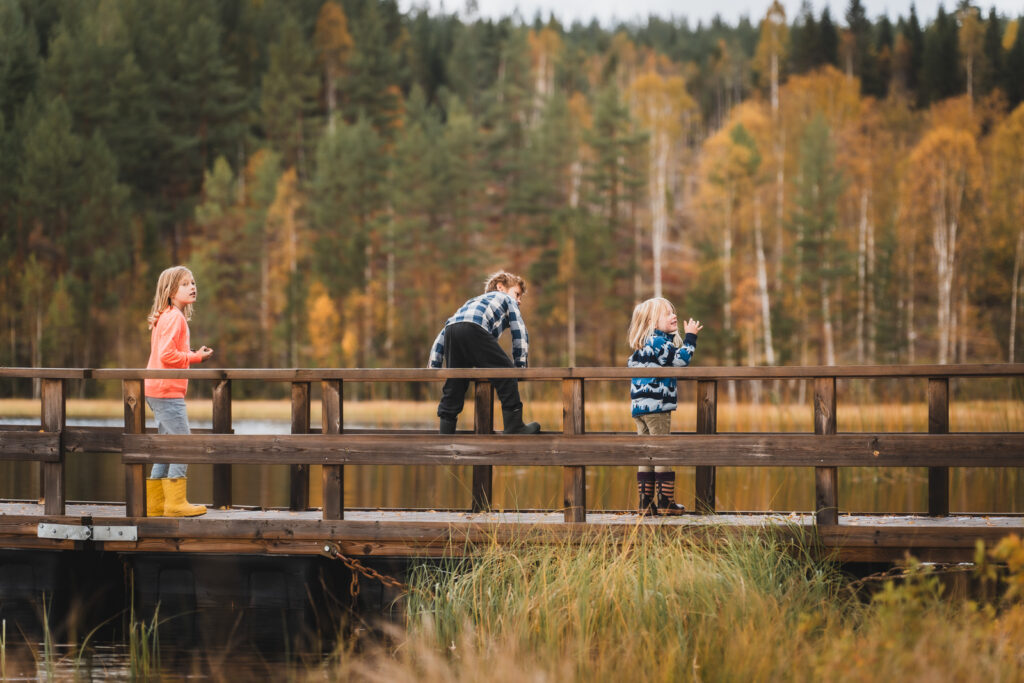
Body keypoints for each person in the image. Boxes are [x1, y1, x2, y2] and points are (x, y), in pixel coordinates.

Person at [428, 271, 541, 435]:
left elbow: (444, 332)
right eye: (517, 294)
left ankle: (446, 432)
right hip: (475, 329)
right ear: (500, 287)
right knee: (505, 374)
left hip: (453, 330)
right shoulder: (506, 299)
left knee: (455, 383)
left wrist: (434, 365)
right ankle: (515, 425)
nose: (519, 300)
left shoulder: (471, 302)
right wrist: (519, 366)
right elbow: (519, 331)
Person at [143, 266, 213, 517]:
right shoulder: (175, 317)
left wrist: (191, 353)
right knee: (183, 444)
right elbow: (167, 355)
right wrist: (195, 357)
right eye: (185, 284)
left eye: (193, 282)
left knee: (166, 447)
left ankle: (155, 505)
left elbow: (167, 353)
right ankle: (174, 504)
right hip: (166, 391)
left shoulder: (167, 315)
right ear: (171, 291)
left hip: (157, 389)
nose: (192, 287)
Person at [627, 297, 702, 515]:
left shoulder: (642, 345)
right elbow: (681, 360)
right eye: (667, 313)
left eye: (673, 312)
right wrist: (691, 338)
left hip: (640, 408)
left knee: (646, 452)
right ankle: (666, 502)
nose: (674, 316)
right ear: (651, 321)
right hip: (657, 407)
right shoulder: (659, 343)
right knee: (662, 451)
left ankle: (645, 503)